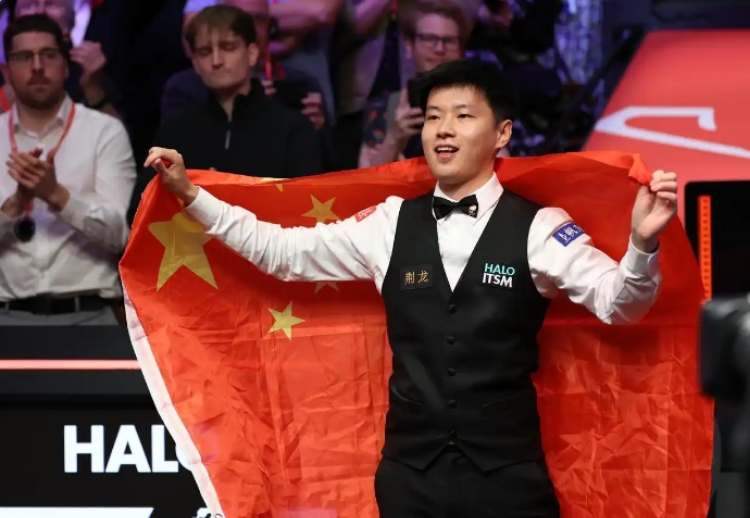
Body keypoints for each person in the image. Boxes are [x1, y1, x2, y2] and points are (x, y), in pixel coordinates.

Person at [144, 59, 677, 517]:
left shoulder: (541, 227)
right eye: (433, 117)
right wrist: (192, 196)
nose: (444, 130)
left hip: (507, 478)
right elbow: (282, 253)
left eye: (463, 116)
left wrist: (641, 243)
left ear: (502, 134)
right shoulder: (389, 222)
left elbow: (620, 305)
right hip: (410, 478)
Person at [0, 14, 136, 325]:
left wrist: (56, 195)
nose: (37, 67)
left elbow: (120, 236)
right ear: (7, 71)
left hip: (90, 315)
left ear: (65, 66)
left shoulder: (104, 131)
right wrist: (15, 206)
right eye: (24, 57)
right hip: (6, 318)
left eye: (48, 55)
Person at [152, 5, 323, 178]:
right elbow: (148, 194)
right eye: (205, 52)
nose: (216, 61)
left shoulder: (293, 130)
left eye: (228, 48)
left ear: (252, 54)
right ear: (195, 63)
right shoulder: (175, 132)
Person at [358, 0, 469, 168]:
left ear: (461, 50)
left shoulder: (481, 105)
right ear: (410, 46)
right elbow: (365, 179)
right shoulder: (386, 107)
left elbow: (503, 171)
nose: (439, 49)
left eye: (449, 41)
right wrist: (394, 138)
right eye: (429, 39)